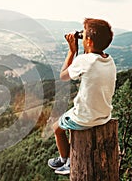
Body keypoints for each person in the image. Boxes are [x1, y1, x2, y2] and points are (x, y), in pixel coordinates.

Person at [47, 18, 116, 175]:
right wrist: (86, 48)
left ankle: (66, 160)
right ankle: (67, 158)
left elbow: (63, 76)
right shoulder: (109, 60)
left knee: (56, 128)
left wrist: (71, 51)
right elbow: (91, 64)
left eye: (83, 36)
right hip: (104, 115)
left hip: (85, 117)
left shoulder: (84, 60)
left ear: (89, 41)